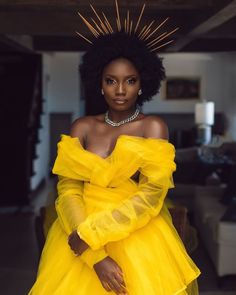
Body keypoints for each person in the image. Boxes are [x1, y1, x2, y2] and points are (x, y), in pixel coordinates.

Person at [29, 14, 200, 295]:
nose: (120, 90)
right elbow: (69, 189)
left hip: (134, 233)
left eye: (130, 81)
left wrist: (93, 235)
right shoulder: (81, 127)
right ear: (99, 83)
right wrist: (94, 255)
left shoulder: (153, 126)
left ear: (142, 84)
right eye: (111, 81)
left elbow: (151, 195)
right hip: (78, 228)